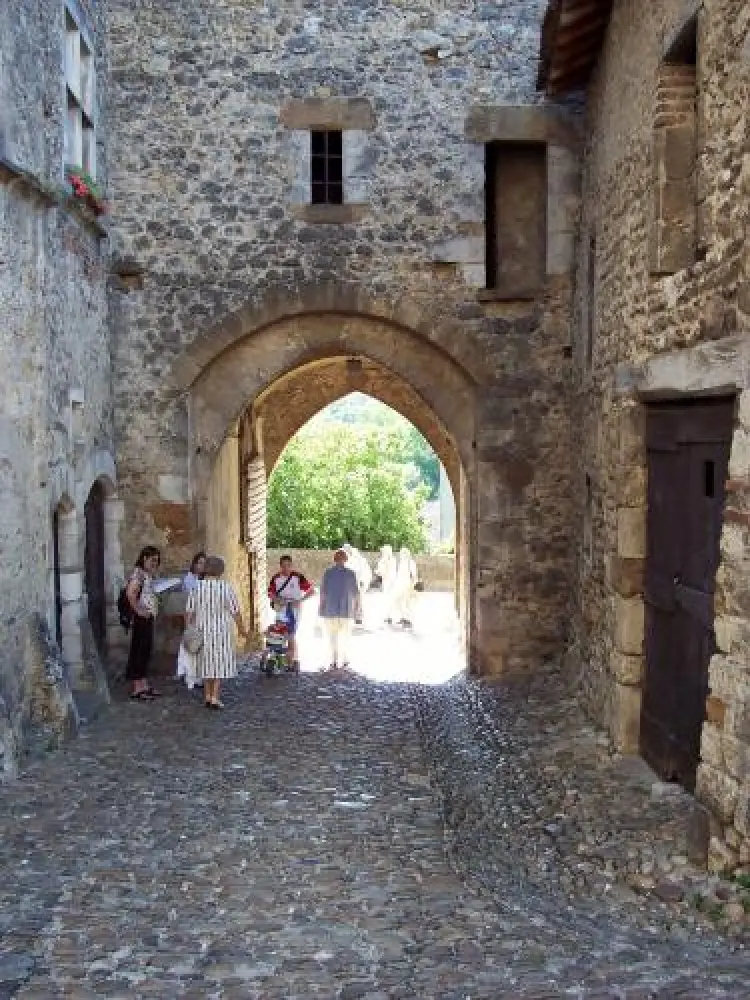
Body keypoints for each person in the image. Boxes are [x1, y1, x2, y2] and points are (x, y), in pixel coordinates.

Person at [186, 556, 247, 710]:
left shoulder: (196, 587)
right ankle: (214, 697)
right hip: (221, 632)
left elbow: (189, 611)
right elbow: (235, 611)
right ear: (220, 571)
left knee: (205, 663)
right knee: (218, 664)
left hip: (202, 631)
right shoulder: (225, 588)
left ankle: (206, 696)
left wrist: (189, 628)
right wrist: (241, 629)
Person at [125, 545, 161, 700]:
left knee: (145, 651)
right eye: (153, 560)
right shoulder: (138, 574)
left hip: (147, 617)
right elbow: (130, 593)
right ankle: (137, 688)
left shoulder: (145, 574)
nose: (155, 564)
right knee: (139, 651)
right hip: (142, 618)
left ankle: (143, 685)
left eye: (157, 561)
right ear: (144, 558)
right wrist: (139, 610)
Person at [268, 554, 315, 669]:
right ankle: (284, 659)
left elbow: (312, 591)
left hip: (295, 609)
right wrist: (277, 599)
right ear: (280, 566)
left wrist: (300, 600)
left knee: (291, 634)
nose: (286, 568)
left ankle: (291, 660)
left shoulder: (298, 577)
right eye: (283, 566)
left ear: (291, 565)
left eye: (288, 566)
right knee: (280, 632)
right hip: (281, 608)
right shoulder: (276, 578)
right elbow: (270, 593)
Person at [318, 548, 361, 670]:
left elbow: (323, 593)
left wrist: (320, 608)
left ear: (334, 559)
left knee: (332, 636)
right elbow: (356, 593)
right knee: (345, 636)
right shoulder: (351, 573)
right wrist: (358, 609)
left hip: (330, 610)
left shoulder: (328, 573)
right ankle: (345, 658)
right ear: (346, 560)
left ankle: (334, 659)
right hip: (346, 610)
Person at [176, 551, 206, 691]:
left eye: (204, 563)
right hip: (192, 616)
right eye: (199, 562)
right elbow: (188, 600)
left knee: (200, 648)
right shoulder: (189, 580)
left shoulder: (204, 580)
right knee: (191, 646)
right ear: (194, 564)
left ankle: (199, 676)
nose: (201, 566)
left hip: (202, 617)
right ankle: (190, 676)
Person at [342, 544, 372, 624]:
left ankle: (358, 617)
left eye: (346, 549)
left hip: (357, 582)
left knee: (358, 600)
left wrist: (362, 580)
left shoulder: (358, 559)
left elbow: (363, 570)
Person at [393, 546, 418, 628]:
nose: (400, 554)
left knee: (406, 603)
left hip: (407, 584)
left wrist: (412, 586)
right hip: (400, 584)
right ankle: (403, 617)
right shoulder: (402, 562)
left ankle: (408, 620)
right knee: (398, 601)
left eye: (402, 553)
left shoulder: (410, 562)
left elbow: (414, 576)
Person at [375, 544, 398, 625]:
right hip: (393, 580)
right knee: (390, 599)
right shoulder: (393, 559)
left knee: (386, 599)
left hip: (387, 580)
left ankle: (388, 617)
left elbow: (381, 571)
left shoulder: (384, 560)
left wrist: (378, 572)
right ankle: (389, 616)